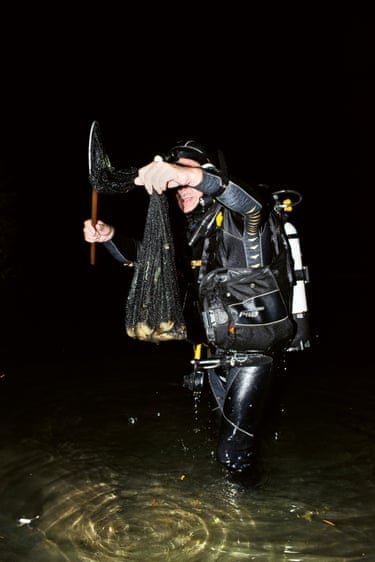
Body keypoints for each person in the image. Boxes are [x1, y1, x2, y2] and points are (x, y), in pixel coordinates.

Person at [83, 136, 299, 486]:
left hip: (251, 355)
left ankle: (251, 525)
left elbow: (254, 205)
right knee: (223, 440)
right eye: (175, 182)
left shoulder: (243, 219)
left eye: (187, 176)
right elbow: (149, 259)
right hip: (214, 352)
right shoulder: (192, 230)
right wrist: (109, 236)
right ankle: (240, 500)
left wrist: (186, 174)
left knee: (232, 452)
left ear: (208, 177)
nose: (179, 188)